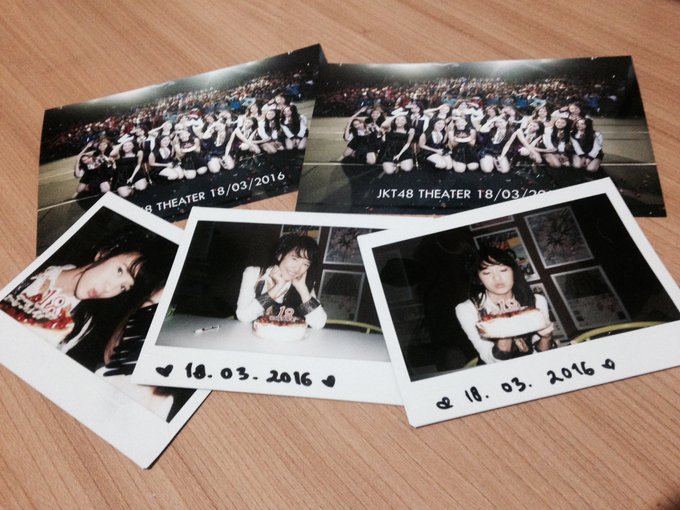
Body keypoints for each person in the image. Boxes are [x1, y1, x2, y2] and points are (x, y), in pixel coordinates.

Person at [0, 228, 171, 352]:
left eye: (123, 287)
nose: (109, 288)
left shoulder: (80, 324)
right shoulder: (38, 258)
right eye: (119, 271)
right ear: (104, 253)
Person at [455, 246, 554, 364]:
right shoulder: (467, 309)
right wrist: (504, 326)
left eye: (503, 270)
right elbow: (489, 359)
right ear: (479, 279)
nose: (497, 278)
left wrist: (547, 337)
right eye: (486, 273)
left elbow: (542, 356)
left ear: (513, 271)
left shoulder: (536, 301)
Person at [236, 233, 326, 329]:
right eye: (294, 259)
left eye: (305, 264)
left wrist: (302, 289)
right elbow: (243, 316)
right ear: (280, 255)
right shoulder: (254, 274)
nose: (297, 269)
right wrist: (277, 286)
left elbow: (319, 324)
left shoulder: (303, 284)